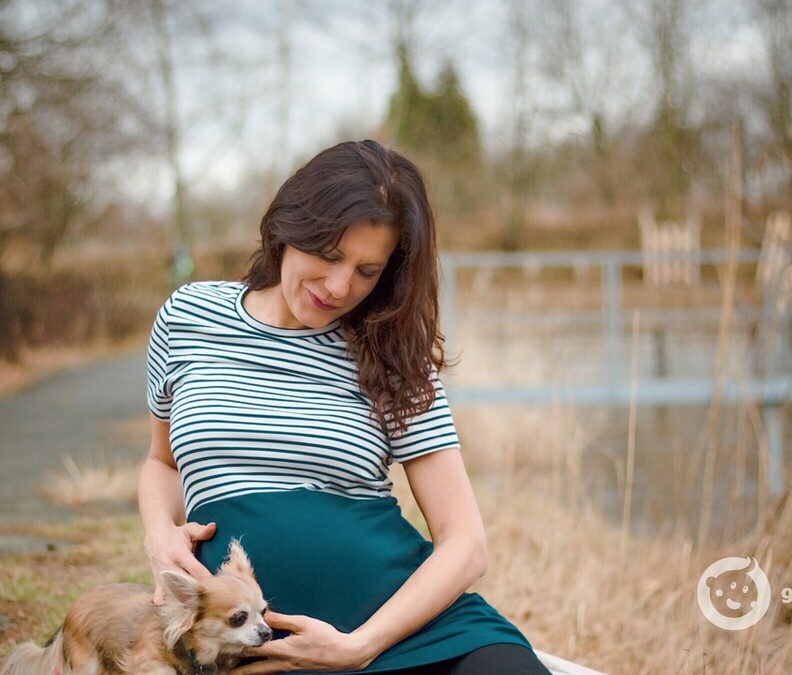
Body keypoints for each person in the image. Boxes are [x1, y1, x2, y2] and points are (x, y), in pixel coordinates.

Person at [139, 139, 551, 675]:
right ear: (288, 227)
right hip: (255, 646)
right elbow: (161, 462)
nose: (339, 287)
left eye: (367, 270)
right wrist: (158, 532)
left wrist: (360, 646)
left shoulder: (392, 352)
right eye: (329, 255)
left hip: (414, 634)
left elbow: (466, 543)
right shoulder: (188, 317)